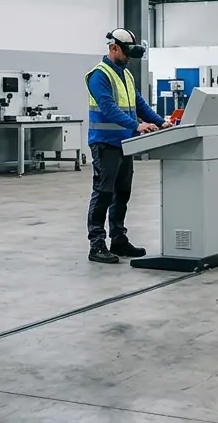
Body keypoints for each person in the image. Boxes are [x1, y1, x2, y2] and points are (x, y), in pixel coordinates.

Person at [85, 28, 171, 264]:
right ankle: (97, 244)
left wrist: (160, 122)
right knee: (103, 194)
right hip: (105, 145)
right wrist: (136, 126)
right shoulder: (99, 75)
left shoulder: (126, 74)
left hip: (126, 145)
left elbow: (140, 104)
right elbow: (108, 107)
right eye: (126, 53)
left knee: (122, 194)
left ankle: (118, 240)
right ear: (114, 48)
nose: (129, 58)